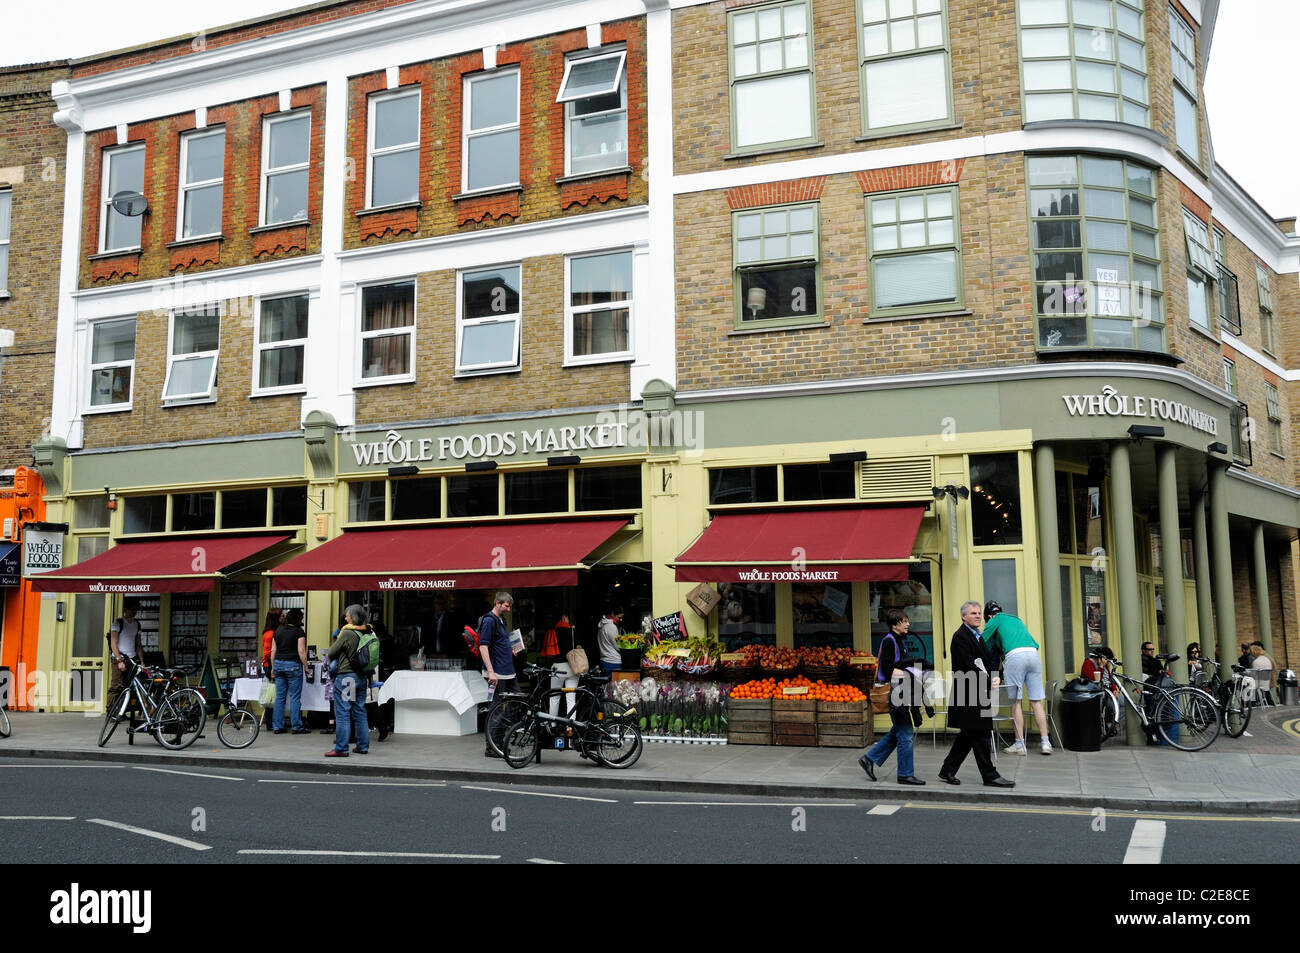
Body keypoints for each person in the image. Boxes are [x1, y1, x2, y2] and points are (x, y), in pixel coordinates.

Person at [937, 601, 1014, 788]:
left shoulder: (977, 635)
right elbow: (967, 665)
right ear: (964, 616)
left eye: (979, 613)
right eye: (973, 613)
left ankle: (948, 769)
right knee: (981, 733)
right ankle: (989, 775)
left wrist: (995, 677)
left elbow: (986, 662)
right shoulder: (960, 637)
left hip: (978, 691)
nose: (978, 616)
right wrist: (989, 680)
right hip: (968, 693)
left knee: (969, 735)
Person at [859, 609, 928, 785]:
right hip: (895, 694)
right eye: (904, 621)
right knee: (905, 733)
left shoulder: (899, 640)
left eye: (907, 620)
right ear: (894, 624)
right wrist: (910, 674)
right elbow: (887, 669)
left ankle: (869, 759)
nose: (908, 624)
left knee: (898, 730)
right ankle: (905, 774)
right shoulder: (890, 641)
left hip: (901, 692)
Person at [982, 602, 1052, 756]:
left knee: (1016, 702)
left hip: (1015, 657)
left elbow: (981, 642)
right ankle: (1046, 742)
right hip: (1033, 655)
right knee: (1036, 701)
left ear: (989, 616)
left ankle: (1020, 744)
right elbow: (1035, 644)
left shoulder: (995, 620)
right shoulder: (1016, 620)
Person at [325, 604, 371, 757]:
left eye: (347, 615)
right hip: (361, 677)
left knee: (343, 712)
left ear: (353, 617)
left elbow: (331, 652)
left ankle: (341, 748)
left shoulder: (348, 633)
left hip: (347, 677)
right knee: (360, 711)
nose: (345, 618)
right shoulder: (367, 632)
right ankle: (362, 746)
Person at [271, 608, 309, 734]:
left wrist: (272, 667)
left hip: (278, 665)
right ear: (298, 618)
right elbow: (301, 651)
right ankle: (296, 726)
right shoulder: (299, 631)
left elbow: (273, 651)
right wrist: (306, 666)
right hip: (293, 665)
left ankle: (277, 726)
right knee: (294, 697)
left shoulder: (278, 631)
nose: (302, 620)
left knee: (280, 697)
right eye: (301, 618)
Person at [106, 599, 143, 710]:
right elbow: (113, 643)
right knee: (116, 686)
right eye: (131, 609)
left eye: (135, 610)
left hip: (131, 659)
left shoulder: (137, 624)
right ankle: (111, 712)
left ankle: (122, 711)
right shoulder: (118, 623)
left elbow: (139, 645)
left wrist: (142, 661)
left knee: (127, 687)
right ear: (125, 610)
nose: (133, 612)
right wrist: (119, 660)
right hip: (120, 658)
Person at [421, 593, 460, 657]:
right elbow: (425, 638)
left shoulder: (451, 619)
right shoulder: (428, 619)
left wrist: (447, 654)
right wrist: (429, 653)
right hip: (431, 656)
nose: (440, 606)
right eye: (437, 603)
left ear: (445, 604)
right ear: (434, 604)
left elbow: (454, 639)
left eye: (442, 603)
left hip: (447, 656)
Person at [597, 606, 624, 673]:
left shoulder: (602, 624)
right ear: (612, 614)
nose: (621, 620)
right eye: (619, 617)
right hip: (613, 662)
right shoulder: (611, 627)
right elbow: (618, 646)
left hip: (604, 659)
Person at [260, 608, 283, 678]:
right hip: (270, 665)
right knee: (273, 688)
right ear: (276, 618)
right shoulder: (270, 634)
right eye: (281, 616)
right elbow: (268, 654)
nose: (284, 618)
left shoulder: (275, 632)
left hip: (273, 664)